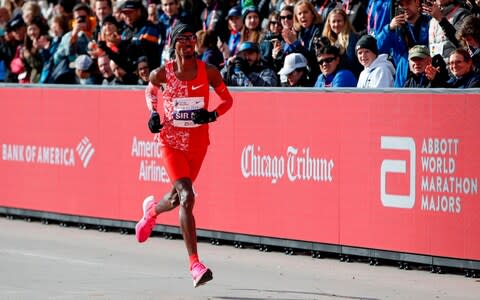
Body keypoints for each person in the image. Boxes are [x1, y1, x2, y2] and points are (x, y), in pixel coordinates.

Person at [136, 23, 233, 288]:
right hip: (171, 143)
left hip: (198, 143)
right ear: (174, 43)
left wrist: (212, 115)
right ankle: (195, 265)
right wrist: (154, 114)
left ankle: (152, 212)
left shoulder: (208, 71)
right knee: (187, 195)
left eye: (192, 38)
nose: (189, 42)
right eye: (183, 38)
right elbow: (149, 90)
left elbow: (228, 100)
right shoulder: (163, 73)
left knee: (179, 196)